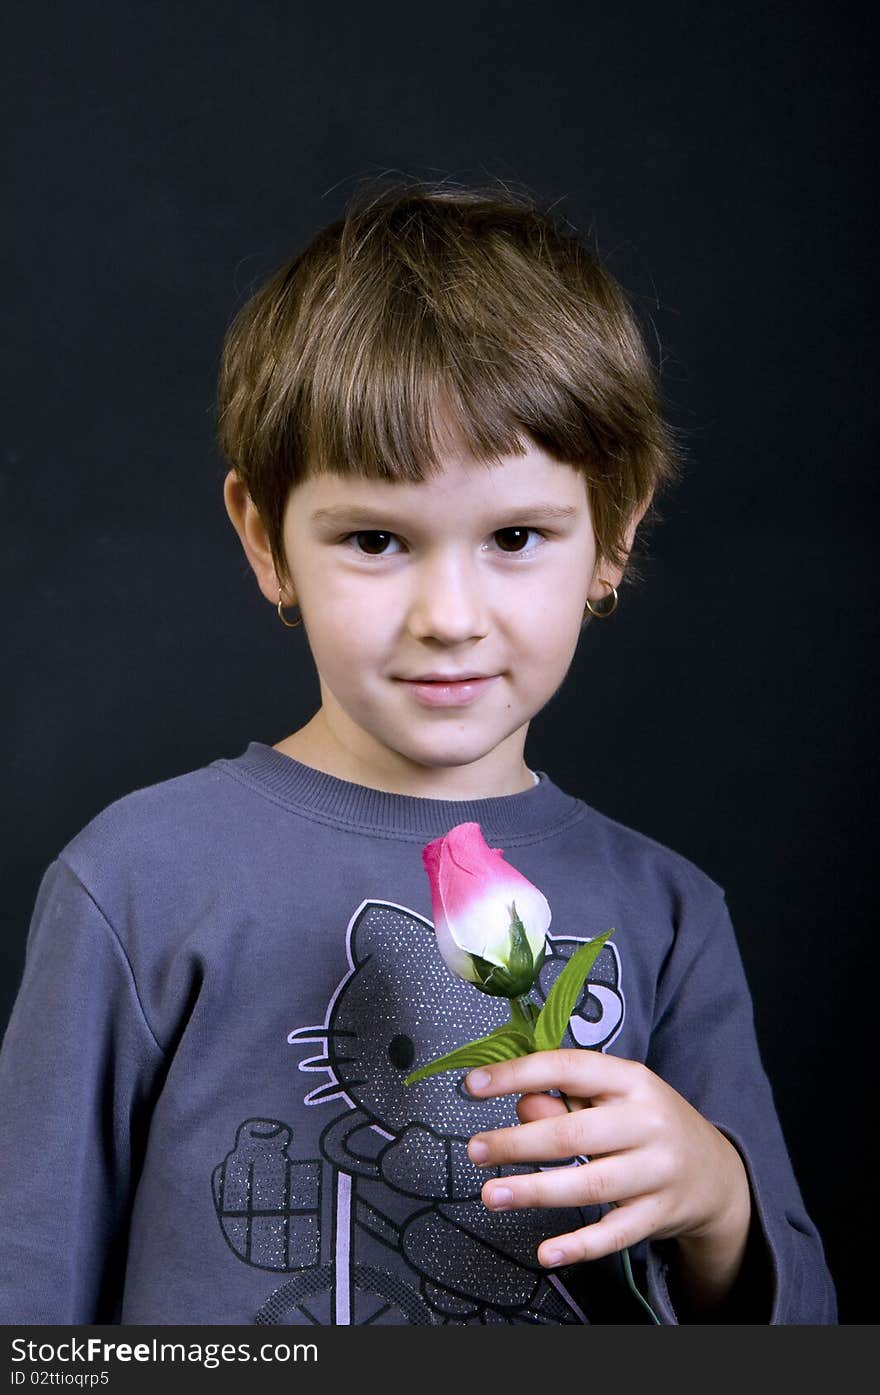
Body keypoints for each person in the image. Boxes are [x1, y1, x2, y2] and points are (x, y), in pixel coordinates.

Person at [0, 179, 836, 1326]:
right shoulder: (136, 881)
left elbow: (800, 1328)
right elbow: (26, 1283)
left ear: (615, 531)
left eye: (515, 537)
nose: (448, 612)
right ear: (265, 539)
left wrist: (714, 1198)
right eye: (377, 539)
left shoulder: (669, 913)